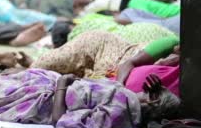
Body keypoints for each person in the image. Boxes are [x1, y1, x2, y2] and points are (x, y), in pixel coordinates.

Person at [0, 60, 180, 128]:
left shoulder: (119, 115)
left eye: (151, 93)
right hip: (51, 85)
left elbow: (62, 121)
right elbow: (106, 87)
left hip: (44, 101)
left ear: (152, 103)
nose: (145, 90)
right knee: (14, 76)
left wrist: (63, 84)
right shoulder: (126, 100)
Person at [31, 31, 179, 79]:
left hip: (100, 73)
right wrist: (119, 89)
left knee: (54, 76)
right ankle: (23, 64)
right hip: (100, 47)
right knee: (39, 67)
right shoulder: (170, 43)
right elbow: (127, 64)